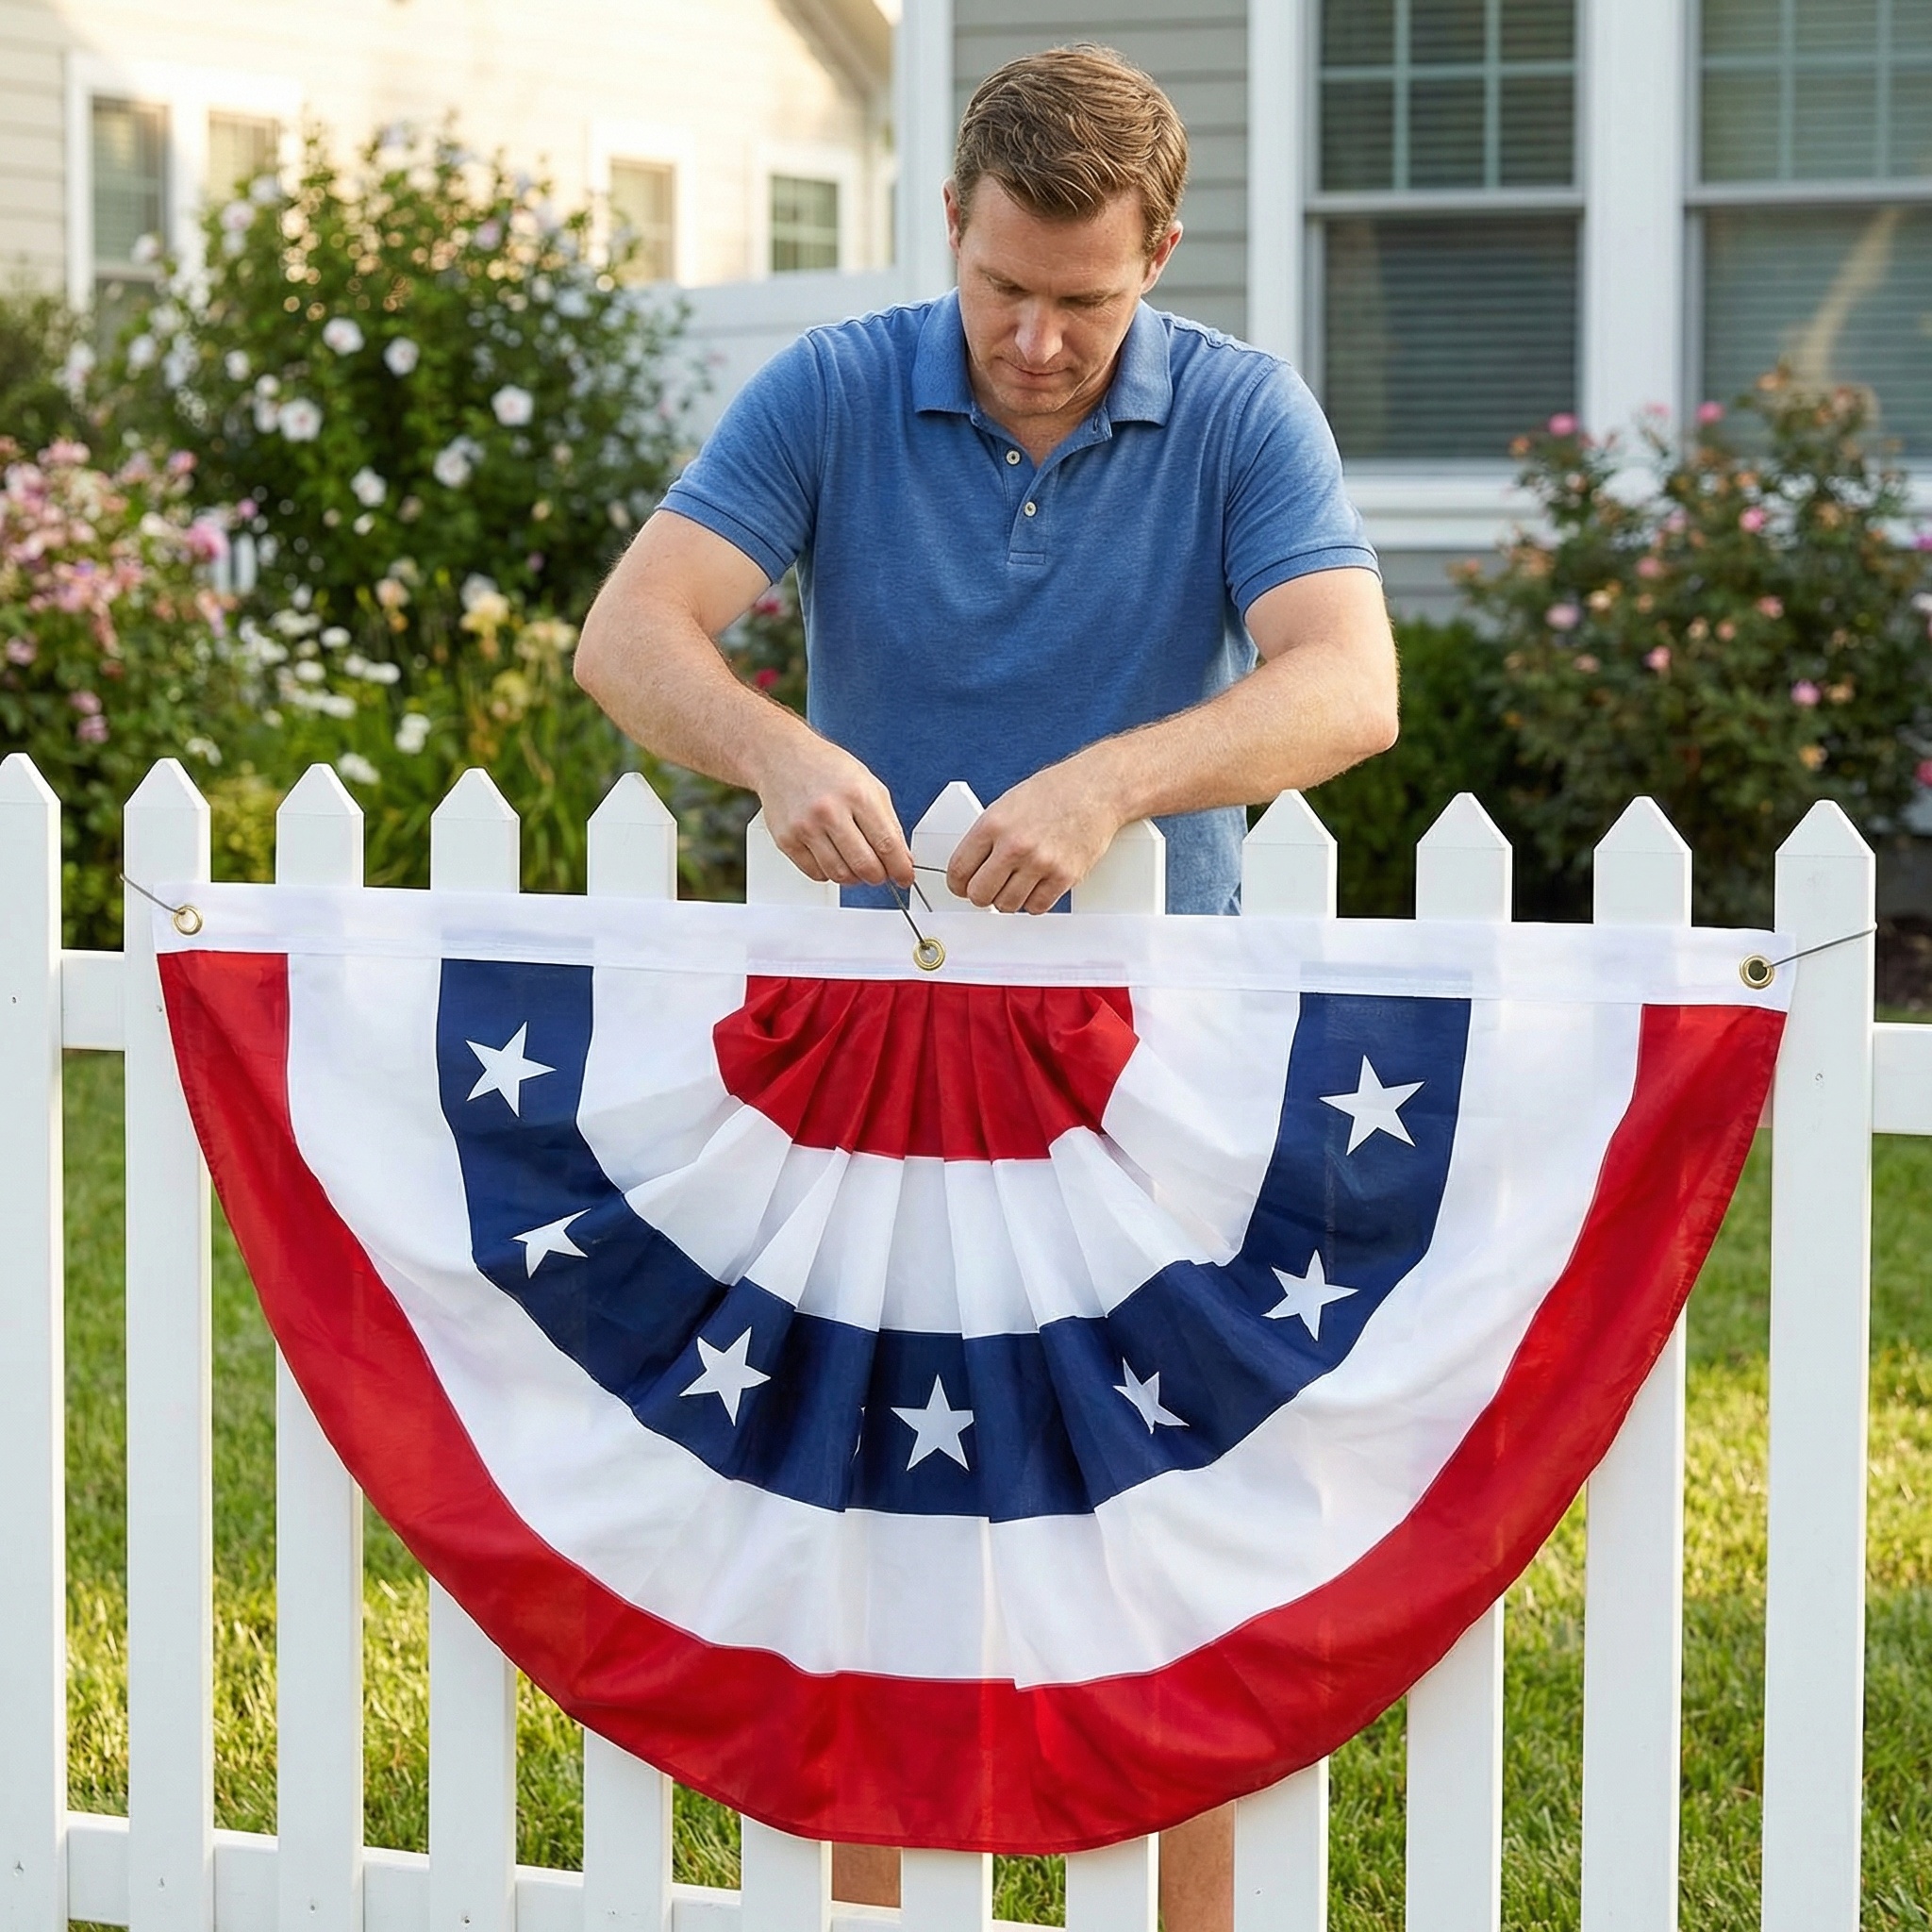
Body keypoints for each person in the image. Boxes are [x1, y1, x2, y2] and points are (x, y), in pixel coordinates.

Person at [575, 42, 1397, 1932]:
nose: (1035, 338)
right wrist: (772, 749)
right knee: (871, 1515)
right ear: (948, 225)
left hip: (1148, 1056)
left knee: (1165, 1522)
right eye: (1003, 288)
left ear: (1161, 254)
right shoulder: (840, 386)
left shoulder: (1244, 416)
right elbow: (632, 633)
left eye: (1084, 302)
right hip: (876, 1057)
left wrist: (1116, 774)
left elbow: (1347, 685)